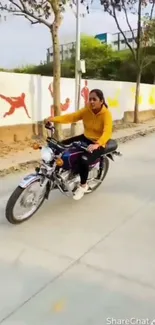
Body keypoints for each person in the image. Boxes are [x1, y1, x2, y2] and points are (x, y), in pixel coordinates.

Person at [46, 89, 113, 200]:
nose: (91, 101)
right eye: (90, 99)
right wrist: (54, 119)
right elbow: (71, 117)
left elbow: (107, 132)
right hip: (86, 137)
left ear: (101, 101)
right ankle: (55, 171)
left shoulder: (106, 114)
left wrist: (97, 144)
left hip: (98, 142)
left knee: (84, 159)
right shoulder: (87, 110)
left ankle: (83, 186)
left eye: (94, 99)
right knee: (59, 146)